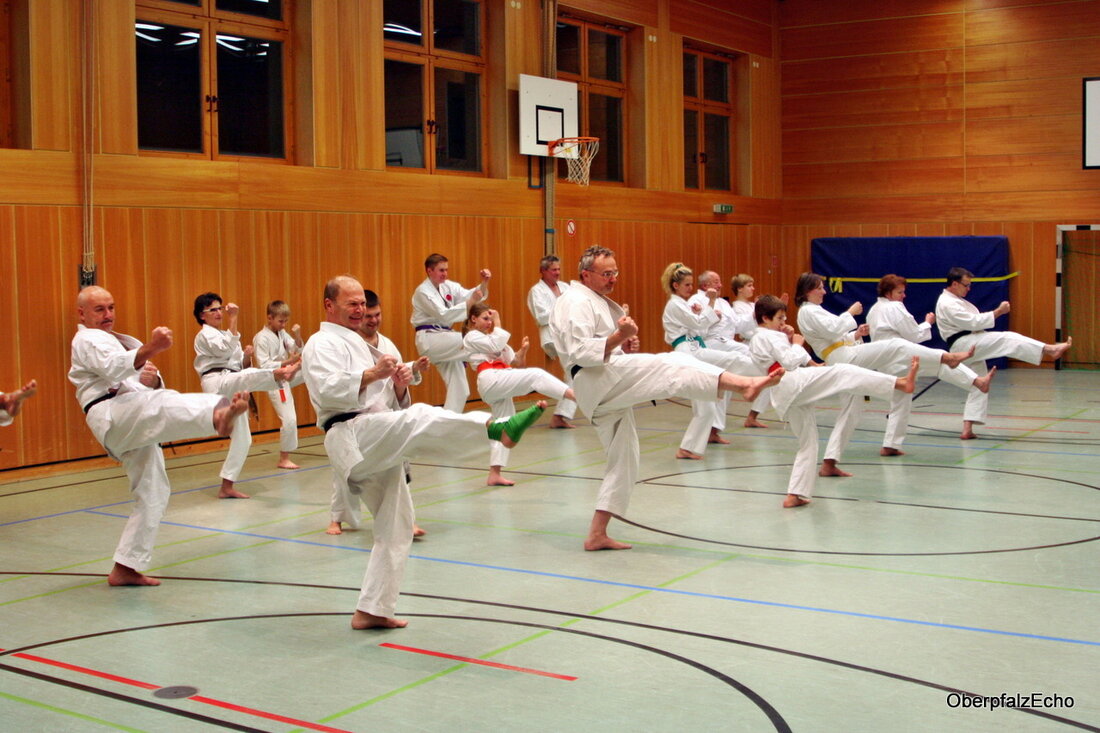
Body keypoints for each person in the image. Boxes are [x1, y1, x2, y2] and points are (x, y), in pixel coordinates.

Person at [303, 275, 545, 630]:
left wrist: (399, 385)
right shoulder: (320, 343)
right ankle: (496, 428)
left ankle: (371, 609)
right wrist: (373, 374)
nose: (359, 311)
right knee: (420, 418)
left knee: (397, 526)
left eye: (361, 304)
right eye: (350, 304)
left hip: (375, 433)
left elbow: (388, 400)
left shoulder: (365, 343)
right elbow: (327, 392)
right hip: (351, 432)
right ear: (329, 306)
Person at [549, 246, 782, 551]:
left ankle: (597, 533)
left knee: (625, 459)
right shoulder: (575, 301)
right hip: (594, 379)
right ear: (585, 275)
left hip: (600, 382)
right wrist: (618, 338)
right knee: (671, 365)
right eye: (606, 273)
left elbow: (596, 347)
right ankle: (743, 385)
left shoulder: (593, 300)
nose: (612, 279)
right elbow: (580, 351)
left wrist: (622, 345)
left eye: (615, 272)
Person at [69, 286, 249, 586]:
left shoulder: (119, 340)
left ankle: (126, 566)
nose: (108, 315)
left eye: (111, 307)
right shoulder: (86, 338)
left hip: (132, 418)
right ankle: (215, 415)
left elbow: (142, 376)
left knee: (153, 491)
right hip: (114, 413)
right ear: (82, 313)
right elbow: (114, 368)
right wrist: (151, 348)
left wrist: (152, 379)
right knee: (160, 405)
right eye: (100, 309)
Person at [795, 272, 991, 476]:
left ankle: (829, 462)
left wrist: (855, 334)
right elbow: (832, 329)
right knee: (897, 345)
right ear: (808, 290)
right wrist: (850, 313)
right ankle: (946, 358)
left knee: (851, 410)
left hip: (847, 356)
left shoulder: (815, 310)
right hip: (846, 357)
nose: (824, 291)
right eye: (819, 288)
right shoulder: (808, 311)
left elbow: (833, 334)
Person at [750, 295, 919, 507]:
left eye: (784, 318)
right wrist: (796, 342)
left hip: (784, 393)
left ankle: (795, 494)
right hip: (793, 382)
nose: (784, 323)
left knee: (808, 443)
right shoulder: (769, 336)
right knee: (844, 372)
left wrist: (811, 363)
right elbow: (790, 360)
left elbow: (783, 360)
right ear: (765, 318)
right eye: (779, 319)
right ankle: (899, 383)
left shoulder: (758, 337)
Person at [327, 289, 430, 537]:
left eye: (377, 314)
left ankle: (407, 522)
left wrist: (407, 375)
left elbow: (399, 383)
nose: (373, 320)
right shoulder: (346, 345)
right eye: (368, 315)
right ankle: (336, 519)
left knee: (396, 466)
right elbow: (336, 384)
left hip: (383, 416)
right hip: (352, 418)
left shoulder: (388, 345)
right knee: (344, 471)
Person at [936, 267, 1072, 440]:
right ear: (954, 284)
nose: (968, 289)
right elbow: (973, 322)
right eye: (966, 285)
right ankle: (1050, 349)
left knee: (980, 384)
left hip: (972, 341)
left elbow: (975, 323)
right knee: (1008, 338)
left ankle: (967, 429)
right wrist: (998, 312)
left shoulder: (956, 300)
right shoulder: (947, 302)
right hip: (963, 344)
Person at [194, 292, 301, 499]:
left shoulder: (226, 333)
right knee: (248, 376)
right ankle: (280, 374)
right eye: (213, 310)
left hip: (232, 382)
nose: (218, 313)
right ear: (202, 315)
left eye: (219, 308)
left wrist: (245, 357)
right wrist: (234, 318)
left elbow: (237, 366)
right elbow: (225, 351)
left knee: (244, 439)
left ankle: (226, 486)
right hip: (217, 382)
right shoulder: (204, 335)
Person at [463, 302, 576, 485]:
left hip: (500, 380)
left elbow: (516, 363)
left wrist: (522, 353)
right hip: (490, 378)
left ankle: (494, 473)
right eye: (485, 319)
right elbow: (495, 344)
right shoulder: (471, 337)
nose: (489, 323)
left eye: (490, 319)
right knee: (536, 375)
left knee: (506, 425)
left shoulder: (496, 339)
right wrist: (498, 320)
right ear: (473, 319)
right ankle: (574, 395)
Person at [661, 263, 757, 459]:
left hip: (696, 347)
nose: (690, 288)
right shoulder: (674, 304)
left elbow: (701, 330)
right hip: (687, 352)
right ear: (675, 285)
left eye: (690, 284)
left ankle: (686, 449)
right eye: (687, 284)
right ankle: (767, 372)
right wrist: (709, 307)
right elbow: (698, 323)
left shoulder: (684, 304)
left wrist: (703, 312)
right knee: (732, 359)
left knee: (706, 405)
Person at [866, 274, 937, 455]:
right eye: (900, 292)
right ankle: (974, 380)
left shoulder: (874, 309)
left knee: (899, 401)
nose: (903, 296)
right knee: (943, 363)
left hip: (882, 360)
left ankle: (891, 444)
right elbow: (913, 334)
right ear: (889, 293)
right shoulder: (894, 307)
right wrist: (928, 323)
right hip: (898, 359)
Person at [411, 253, 490, 413]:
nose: (445, 274)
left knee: (460, 390)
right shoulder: (422, 292)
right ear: (429, 270)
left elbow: (471, 295)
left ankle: (446, 424)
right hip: (431, 339)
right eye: (441, 270)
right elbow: (444, 314)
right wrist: (471, 301)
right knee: (474, 340)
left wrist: (484, 283)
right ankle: (497, 362)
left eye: (446, 270)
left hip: (445, 341)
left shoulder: (448, 286)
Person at [526, 255, 578, 428]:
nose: (557, 273)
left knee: (575, 372)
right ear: (543, 271)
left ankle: (561, 415)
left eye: (558, 269)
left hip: (567, 334)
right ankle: (560, 416)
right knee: (575, 371)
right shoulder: (536, 291)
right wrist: (564, 311)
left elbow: (576, 306)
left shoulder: (564, 287)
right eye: (553, 269)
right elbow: (541, 316)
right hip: (552, 336)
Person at [252, 300, 305, 470]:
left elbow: (296, 349)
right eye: (280, 321)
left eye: (285, 321)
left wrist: (297, 336)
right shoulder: (261, 338)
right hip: (274, 380)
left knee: (312, 368)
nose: (283, 325)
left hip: (287, 373)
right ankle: (284, 458)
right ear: (270, 317)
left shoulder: (282, 334)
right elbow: (264, 365)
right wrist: (290, 362)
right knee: (289, 419)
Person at [728, 273, 774, 428]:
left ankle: (752, 416)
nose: (753, 288)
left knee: (770, 378)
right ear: (740, 289)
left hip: (758, 346)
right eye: (749, 285)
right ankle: (751, 416)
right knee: (768, 377)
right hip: (746, 347)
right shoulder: (736, 307)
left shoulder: (751, 305)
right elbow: (744, 330)